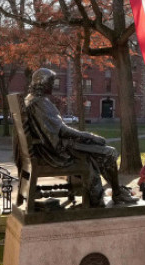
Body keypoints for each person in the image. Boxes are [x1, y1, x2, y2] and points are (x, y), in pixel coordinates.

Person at [20, 68, 136, 205]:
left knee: (100, 151)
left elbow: (57, 130)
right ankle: (116, 194)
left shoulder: (31, 99)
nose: (53, 85)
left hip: (48, 148)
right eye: (51, 82)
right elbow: (62, 130)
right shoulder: (41, 103)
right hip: (57, 151)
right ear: (42, 83)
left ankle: (113, 192)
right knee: (109, 152)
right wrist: (90, 137)